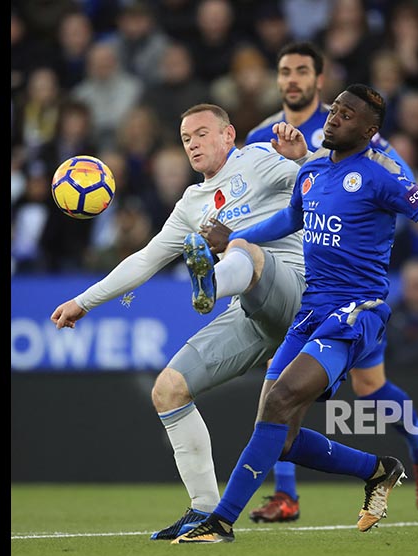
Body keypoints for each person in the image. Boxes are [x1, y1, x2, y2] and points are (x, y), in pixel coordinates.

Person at [173, 84, 418, 543]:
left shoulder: (381, 177)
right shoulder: (310, 170)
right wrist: (236, 236)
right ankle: (378, 470)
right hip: (312, 309)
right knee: (281, 437)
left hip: (357, 312)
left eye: (347, 116)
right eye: (334, 111)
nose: (333, 119)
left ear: (370, 131)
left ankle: (222, 520)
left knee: (279, 402)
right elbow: (291, 220)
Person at [51, 103, 313, 541]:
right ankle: (204, 513)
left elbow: (322, 186)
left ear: (229, 135)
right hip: (251, 311)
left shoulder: (258, 159)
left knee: (243, 248)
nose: (192, 143)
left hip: (299, 294)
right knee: (168, 389)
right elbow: (145, 260)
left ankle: (211, 278)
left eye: (202, 134)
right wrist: (84, 301)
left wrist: (301, 157)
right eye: (186, 138)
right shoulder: (191, 204)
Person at [244, 40, 418, 523]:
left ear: (319, 77)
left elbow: (400, 180)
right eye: (285, 70)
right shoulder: (257, 134)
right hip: (292, 265)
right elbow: (256, 204)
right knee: (286, 379)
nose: (292, 79)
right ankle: (287, 492)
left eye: (302, 71)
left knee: (363, 386)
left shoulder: (345, 126)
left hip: (348, 276)